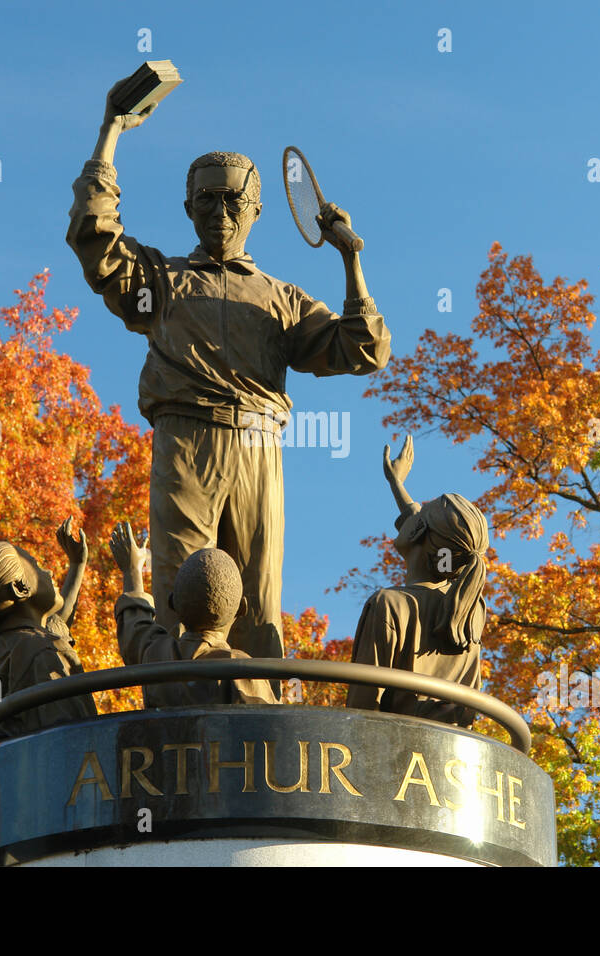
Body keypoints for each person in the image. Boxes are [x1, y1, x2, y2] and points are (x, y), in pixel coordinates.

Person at [66, 78, 391, 678]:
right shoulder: (161, 283)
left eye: (233, 201)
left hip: (259, 446)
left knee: (259, 606)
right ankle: (177, 718)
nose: (220, 211)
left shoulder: (281, 300)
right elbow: (96, 241)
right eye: (207, 200)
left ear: (257, 210)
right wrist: (110, 132)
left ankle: (262, 729)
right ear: (188, 207)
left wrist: (352, 261)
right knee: (182, 596)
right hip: (186, 440)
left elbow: (363, 349)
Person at [346, 437, 489, 726]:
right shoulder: (468, 612)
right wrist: (396, 484)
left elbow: (362, 711)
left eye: (423, 510)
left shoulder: (390, 606)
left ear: (418, 534)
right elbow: (430, 534)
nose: (416, 509)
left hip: (391, 757)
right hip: (444, 760)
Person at [0, 518, 97, 742]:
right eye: (37, 566)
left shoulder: (4, 649)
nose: (48, 571)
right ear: (20, 589)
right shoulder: (41, 651)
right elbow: (73, 735)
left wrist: (77, 565)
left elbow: (56, 623)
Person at [108, 521, 276, 707]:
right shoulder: (240, 669)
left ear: (173, 603)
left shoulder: (157, 656)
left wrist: (132, 571)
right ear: (241, 609)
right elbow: (273, 726)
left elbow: (135, 629)